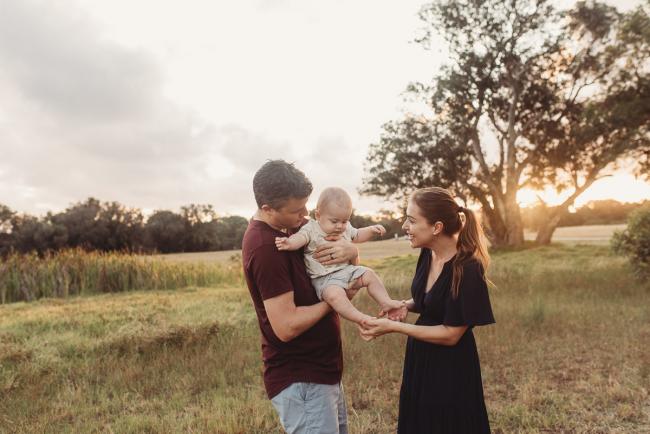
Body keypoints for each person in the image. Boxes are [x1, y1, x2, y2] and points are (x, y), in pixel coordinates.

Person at [359, 187, 495, 433]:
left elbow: (451, 334)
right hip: (420, 359)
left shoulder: (468, 268)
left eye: (411, 220)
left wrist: (394, 327)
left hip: (451, 368)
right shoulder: (427, 253)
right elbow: (430, 301)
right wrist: (403, 304)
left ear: (437, 227)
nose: (404, 226)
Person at [242, 160, 360, 434]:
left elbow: (344, 264)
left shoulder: (295, 227)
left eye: (306, 205)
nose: (305, 214)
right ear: (268, 209)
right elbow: (287, 326)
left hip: (323, 370)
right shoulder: (264, 248)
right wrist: (334, 301)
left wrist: (352, 252)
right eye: (297, 210)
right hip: (302, 379)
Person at [275, 186, 407, 324]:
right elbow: (301, 238)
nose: (340, 226)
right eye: (334, 221)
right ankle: (361, 318)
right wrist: (289, 243)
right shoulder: (312, 228)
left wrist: (371, 230)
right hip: (324, 279)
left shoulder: (345, 228)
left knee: (369, 274)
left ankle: (385, 302)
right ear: (318, 215)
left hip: (347, 271)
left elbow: (357, 235)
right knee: (335, 296)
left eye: (344, 221)